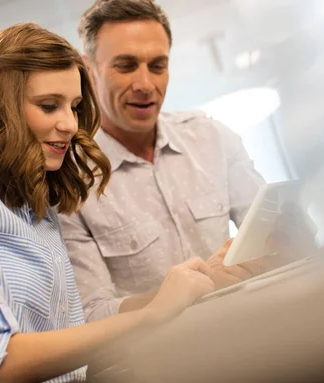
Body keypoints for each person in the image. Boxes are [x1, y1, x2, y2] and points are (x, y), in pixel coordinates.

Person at [0, 22, 216, 383]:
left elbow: (66, 345)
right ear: (2, 106)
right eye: (49, 106)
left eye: (74, 107)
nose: (70, 124)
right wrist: (149, 316)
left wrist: (171, 294)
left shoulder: (36, 207)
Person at [59, 0, 268, 320]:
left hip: (255, 325)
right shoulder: (70, 182)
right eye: (126, 66)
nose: (145, 85)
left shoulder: (212, 137)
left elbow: (269, 229)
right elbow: (93, 313)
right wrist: (192, 288)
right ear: (89, 71)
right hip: (165, 359)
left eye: (157, 66)